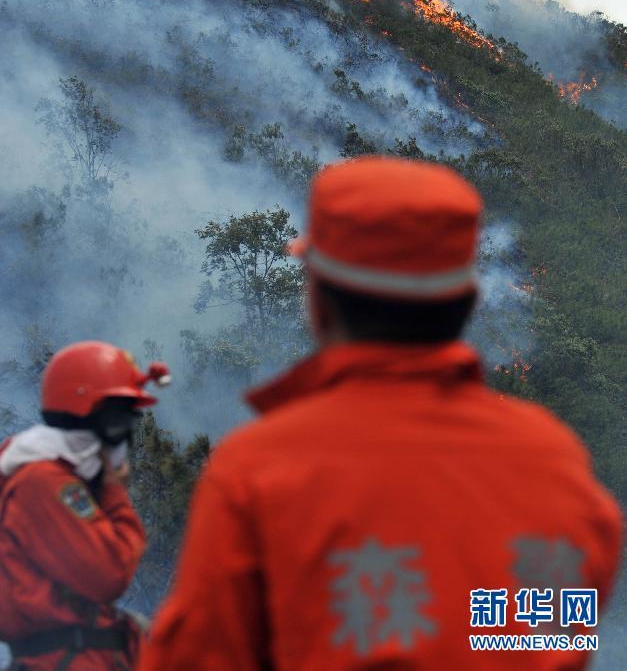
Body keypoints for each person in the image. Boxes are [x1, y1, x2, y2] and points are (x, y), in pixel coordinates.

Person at [140, 157, 623, 670]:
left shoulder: (261, 469)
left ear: (319, 303)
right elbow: (551, 641)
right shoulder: (553, 461)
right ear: (464, 303)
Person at [0, 341, 170, 670]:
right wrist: (112, 490)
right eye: (118, 423)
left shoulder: (44, 472)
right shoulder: (45, 482)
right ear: (94, 419)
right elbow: (110, 573)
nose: (123, 438)